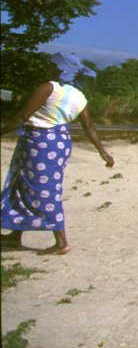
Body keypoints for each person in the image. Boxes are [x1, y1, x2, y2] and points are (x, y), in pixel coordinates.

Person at [0, 52, 114, 255]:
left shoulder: (48, 87)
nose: (48, 68)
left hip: (40, 143)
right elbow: (89, 126)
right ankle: (16, 234)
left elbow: (24, 115)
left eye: (52, 65)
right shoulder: (79, 95)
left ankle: (61, 242)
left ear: (59, 69)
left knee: (43, 189)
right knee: (24, 183)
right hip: (59, 143)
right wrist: (102, 152)